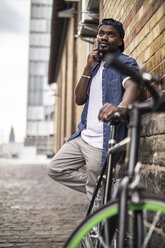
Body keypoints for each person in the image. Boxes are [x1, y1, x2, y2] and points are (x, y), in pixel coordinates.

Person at [47, 18, 139, 202]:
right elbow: (79, 98)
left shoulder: (124, 63)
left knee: (95, 201)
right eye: (101, 33)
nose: (104, 37)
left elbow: (132, 85)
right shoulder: (95, 66)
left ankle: (97, 224)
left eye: (111, 34)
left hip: (101, 143)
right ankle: (108, 187)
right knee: (55, 168)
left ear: (120, 41)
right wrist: (88, 67)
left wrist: (120, 108)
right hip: (82, 136)